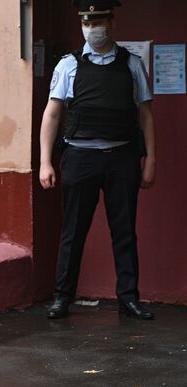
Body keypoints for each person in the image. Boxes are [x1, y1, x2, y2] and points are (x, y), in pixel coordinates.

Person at [39, 0, 156, 320]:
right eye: (87, 23)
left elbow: (145, 115)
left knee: (124, 230)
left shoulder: (131, 64)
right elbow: (52, 114)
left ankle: (128, 299)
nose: (92, 28)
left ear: (111, 22)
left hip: (122, 157)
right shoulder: (68, 65)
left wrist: (151, 160)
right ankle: (63, 298)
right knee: (73, 231)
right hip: (80, 157)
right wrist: (45, 162)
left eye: (98, 21)